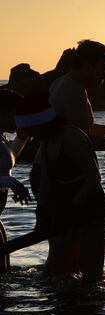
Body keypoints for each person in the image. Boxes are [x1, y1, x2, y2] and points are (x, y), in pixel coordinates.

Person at [16, 91, 105, 281]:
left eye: (30, 128)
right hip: (65, 212)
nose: (28, 135)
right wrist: (41, 213)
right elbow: (46, 185)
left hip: (92, 209)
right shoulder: (45, 145)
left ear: (42, 123)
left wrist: (74, 207)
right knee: (55, 270)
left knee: (90, 273)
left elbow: (94, 177)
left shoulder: (71, 136)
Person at [49, 40, 105, 163]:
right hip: (67, 172)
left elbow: (82, 129)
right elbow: (82, 141)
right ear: (87, 66)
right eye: (104, 66)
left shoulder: (61, 82)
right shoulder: (74, 91)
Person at [0, 90, 32, 272]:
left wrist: (22, 137)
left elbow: (5, 161)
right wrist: (12, 183)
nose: (21, 119)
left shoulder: (2, 137)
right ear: (3, 111)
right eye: (17, 114)